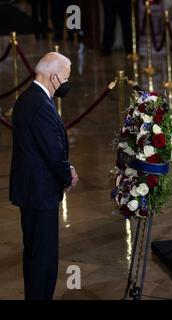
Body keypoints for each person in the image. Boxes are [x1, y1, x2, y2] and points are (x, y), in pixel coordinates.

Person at [9, 52, 79, 300]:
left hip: (33, 192)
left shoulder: (29, 98)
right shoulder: (39, 105)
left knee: (36, 255)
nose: (67, 83)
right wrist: (67, 173)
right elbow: (52, 150)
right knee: (43, 261)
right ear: (54, 76)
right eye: (66, 77)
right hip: (39, 194)